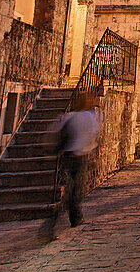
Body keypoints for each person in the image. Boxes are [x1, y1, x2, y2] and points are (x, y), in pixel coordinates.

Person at [40, 93, 102, 239]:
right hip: (80, 157)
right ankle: (69, 219)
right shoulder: (89, 117)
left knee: (71, 189)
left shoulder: (69, 116)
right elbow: (94, 134)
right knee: (75, 191)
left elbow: (57, 133)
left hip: (67, 156)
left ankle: (66, 218)